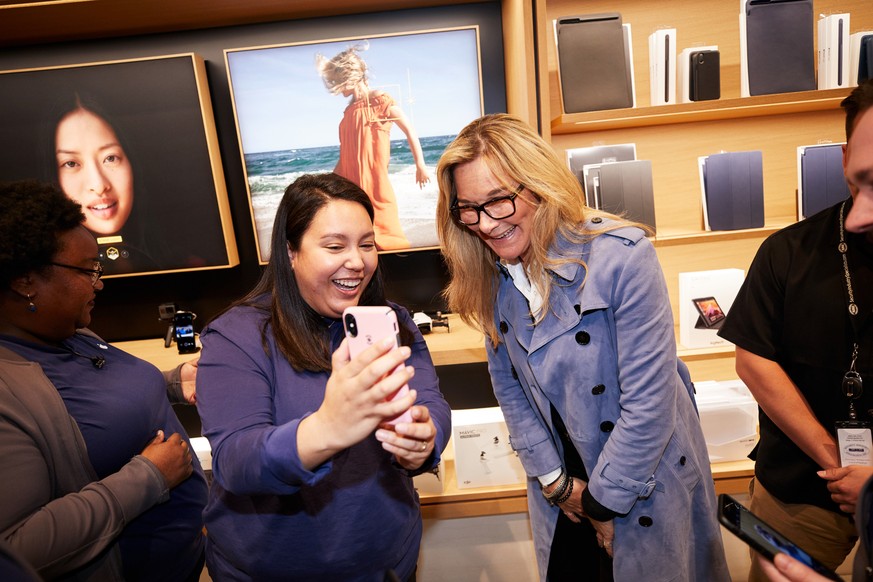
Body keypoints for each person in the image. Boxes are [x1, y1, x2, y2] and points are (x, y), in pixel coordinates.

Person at [434, 113, 730, 581]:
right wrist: (557, 484)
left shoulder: (623, 256)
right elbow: (510, 390)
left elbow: (649, 405)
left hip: (639, 483)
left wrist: (601, 504)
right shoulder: (490, 276)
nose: (485, 225)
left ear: (539, 185)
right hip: (565, 491)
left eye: (498, 202)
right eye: (467, 208)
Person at [196, 172, 451, 581]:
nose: (357, 261)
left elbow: (431, 403)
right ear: (291, 252)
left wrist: (426, 437)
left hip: (387, 563)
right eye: (335, 246)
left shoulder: (394, 321)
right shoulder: (236, 336)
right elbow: (236, 461)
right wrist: (327, 428)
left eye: (367, 244)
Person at [0, 179, 207, 580]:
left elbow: (94, 403)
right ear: (25, 280)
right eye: (87, 270)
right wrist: (149, 478)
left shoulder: (72, 336)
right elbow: (18, 547)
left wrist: (173, 382)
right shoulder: (8, 391)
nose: (99, 282)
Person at [718, 78, 873, 581]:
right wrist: (836, 463)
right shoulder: (788, 251)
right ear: (846, 154)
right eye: (863, 175)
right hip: (800, 487)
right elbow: (754, 360)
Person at [316, 42, 431, 251]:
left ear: (350, 76)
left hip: (376, 185)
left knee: (386, 238)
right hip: (350, 186)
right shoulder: (348, 112)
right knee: (356, 240)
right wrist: (328, 182)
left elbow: (409, 130)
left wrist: (420, 165)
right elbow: (345, 155)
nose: (338, 88)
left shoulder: (379, 101)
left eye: (339, 81)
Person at [46, 93, 165, 275]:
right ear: (53, 177)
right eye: (71, 163)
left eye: (110, 158)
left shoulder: (193, 264)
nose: (99, 185)